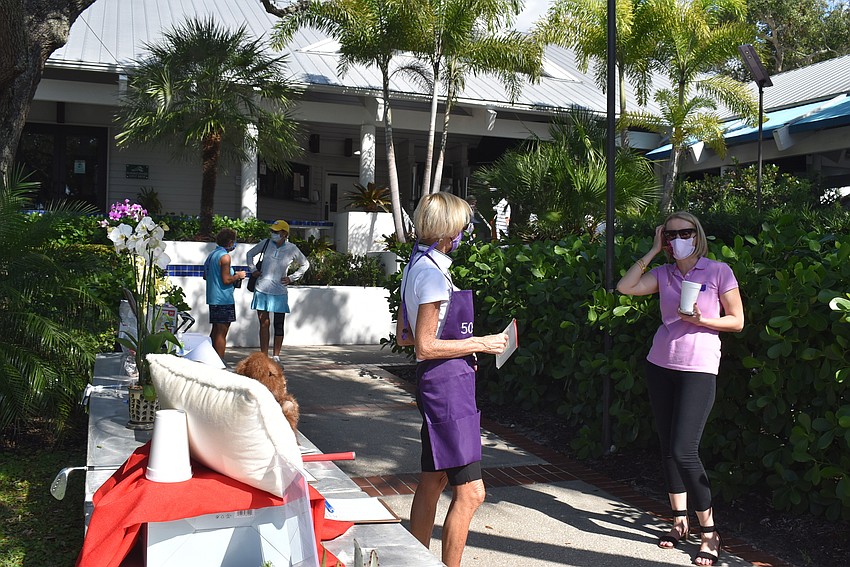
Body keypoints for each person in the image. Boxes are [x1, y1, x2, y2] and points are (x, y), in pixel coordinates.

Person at [616, 211, 744, 567]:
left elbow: (737, 320)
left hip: (698, 368)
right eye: (670, 235)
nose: (677, 239)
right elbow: (625, 287)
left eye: (684, 232)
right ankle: (679, 522)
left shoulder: (718, 271)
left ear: (697, 234)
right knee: (667, 449)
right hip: (660, 364)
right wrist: (653, 251)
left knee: (684, 449)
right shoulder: (664, 273)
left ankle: (710, 532)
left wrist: (704, 321)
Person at [396, 192, 508, 567]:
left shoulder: (417, 265)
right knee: (473, 493)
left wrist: (459, 346)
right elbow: (424, 346)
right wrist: (482, 343)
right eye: (463, 225)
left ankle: (413, 561)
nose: (466, 231)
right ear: (449, 231)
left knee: (433, 481)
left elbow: (403, 336)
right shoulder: (431, 274)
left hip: (440, 383)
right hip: (447, 389)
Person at [246, 220, 309, 365]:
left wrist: (292, 278)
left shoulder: (292, 248)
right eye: (273, 231)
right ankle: (263, 356)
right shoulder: (266, 243)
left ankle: (276, 356)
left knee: (278, 324)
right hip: (261, 289)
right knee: (264, 323)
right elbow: (250, 254)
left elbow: (305, 264)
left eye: (277, 231)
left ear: (285, 234)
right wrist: (253, 270)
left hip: (279, 291)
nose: (273, 234)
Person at [204, 228, 246, 358]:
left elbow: (206, 275)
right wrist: (238, 275)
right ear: (229, 242)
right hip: (223, 299)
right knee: (222, 333)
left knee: (215, 331)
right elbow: (226, 279)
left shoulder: (212, 255)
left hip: (213, 298)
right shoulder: (225, 257)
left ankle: (210, 360)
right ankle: (219, 364)